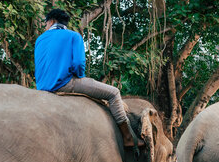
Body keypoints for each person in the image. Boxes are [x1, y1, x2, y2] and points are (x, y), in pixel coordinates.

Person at [34, 9, 144, 148]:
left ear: (51, 22)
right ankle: (128, 138)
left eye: (46, 24)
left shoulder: (40, 39)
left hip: (42, 86)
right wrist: (79, 76)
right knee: (114, 93)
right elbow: (79, 63)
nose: (46, 26)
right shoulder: (73, 36)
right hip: (64, 83)